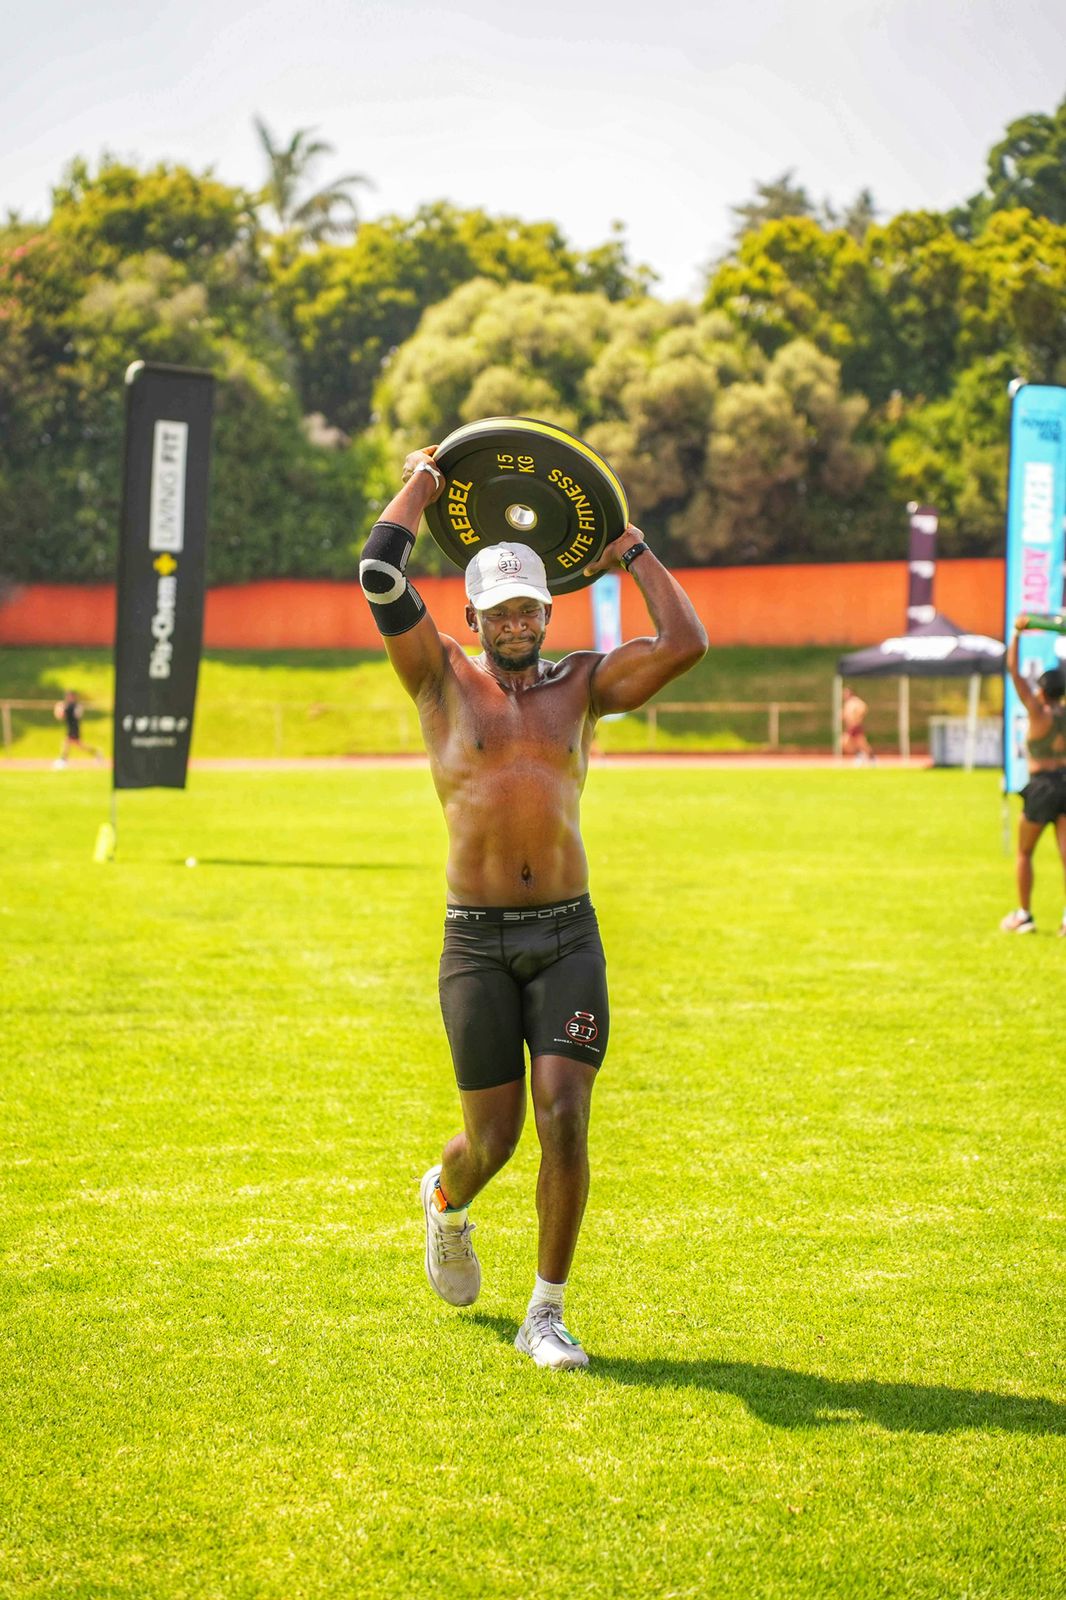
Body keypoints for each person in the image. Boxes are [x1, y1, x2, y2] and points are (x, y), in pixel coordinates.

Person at [359, 446, 707, 1369]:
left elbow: (685, 645)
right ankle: (446, 1200)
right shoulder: (438, 677)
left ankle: (545, 1314)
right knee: (494, 1138)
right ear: (472, 616)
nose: (515, 622)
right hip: (474, 943)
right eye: (499, 610)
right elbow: (378, 571)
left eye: (529, 607)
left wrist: (632, 551)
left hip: (566, 936)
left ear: (546, 613)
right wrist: (427, 480)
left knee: (564, 1115)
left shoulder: (583, 684)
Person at [1000, 619, 1066, 935]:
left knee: (1025, 852)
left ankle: (1024, 914)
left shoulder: (1037, 712)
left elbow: (1013, 670)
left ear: (1041, 690)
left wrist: (1016, 634)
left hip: (1042, 786)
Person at [53, 690, 102, 768]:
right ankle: (96, 753)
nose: (67, 698)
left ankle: (63, 760)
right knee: (78, 744)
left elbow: (61, 715)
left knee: (67, 742)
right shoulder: (73, 705)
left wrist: (58, 708)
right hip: (72, 727)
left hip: (73, 728)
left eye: (68, 696)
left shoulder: (71, 706)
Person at [841, 685, 874, 763]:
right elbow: (846, 714)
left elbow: (863, 707)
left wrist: (858, 716)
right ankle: (861, 756)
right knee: (852, 743)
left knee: (861, 744)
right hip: (850, 727)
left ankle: (871, 758)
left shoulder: (855, 701)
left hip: (856, 726)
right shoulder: (847, 703)